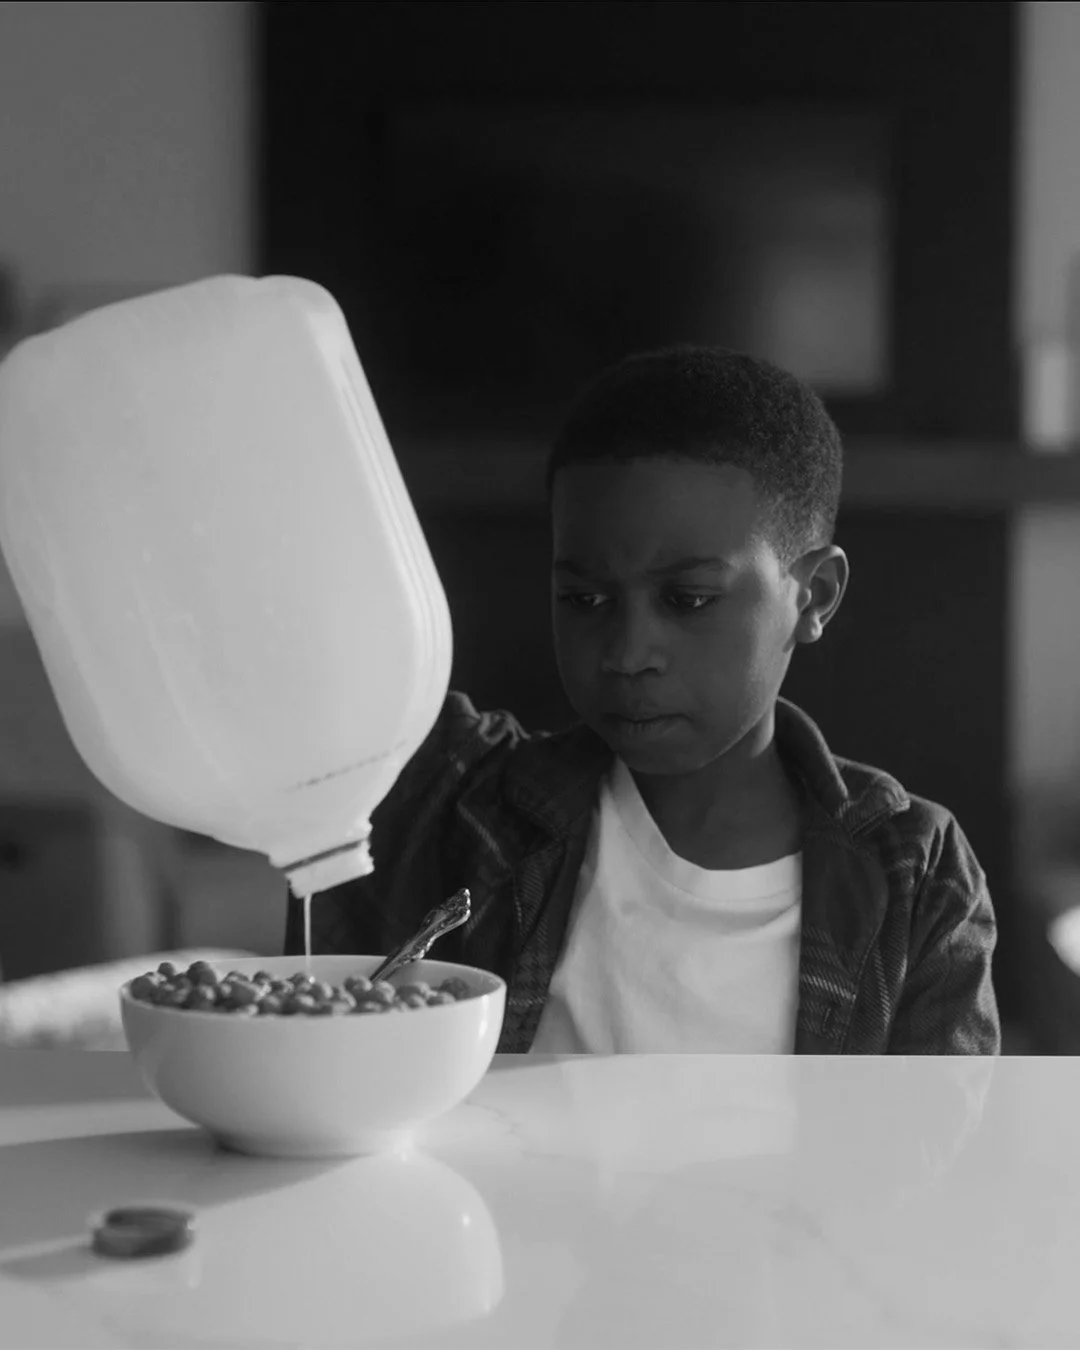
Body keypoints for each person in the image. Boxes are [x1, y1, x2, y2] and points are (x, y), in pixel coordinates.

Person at [285, 345, 1000, 1055]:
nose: (627, 653)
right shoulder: (460, 803)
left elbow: (948, 1128)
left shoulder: (915, 875)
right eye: (584, 598)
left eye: (687, 599)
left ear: (813, 596)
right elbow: (298, 642)